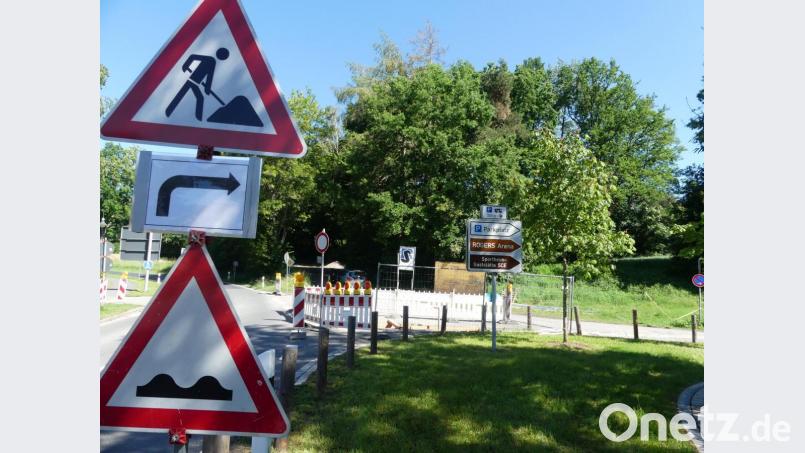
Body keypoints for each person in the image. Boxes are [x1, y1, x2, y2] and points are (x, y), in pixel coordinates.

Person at [165, 47, 229, 120]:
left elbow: (209, 76)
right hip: (191, 81)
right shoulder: (211, 60)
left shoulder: (212, 61)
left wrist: (207, 88)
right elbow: (193, 57)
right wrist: (185, 66)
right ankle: (169, 112)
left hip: (194, 83)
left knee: (191, 96)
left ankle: (169, 111)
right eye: (224, 57)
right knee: (192, 97)